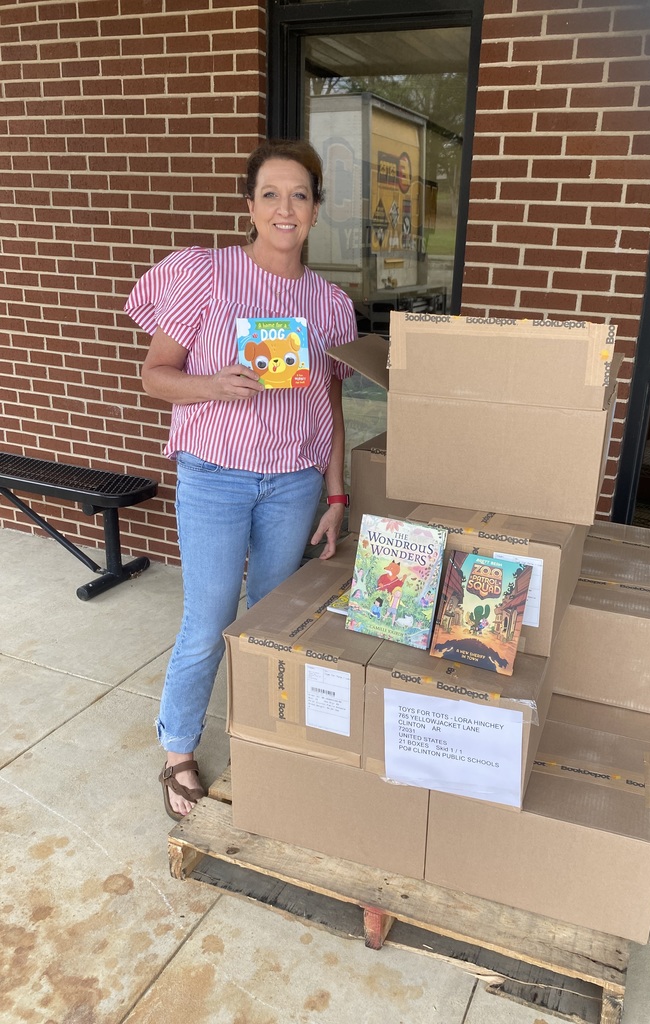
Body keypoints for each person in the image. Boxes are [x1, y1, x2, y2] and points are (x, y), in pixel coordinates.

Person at [124, 139, 356, 820]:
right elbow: (153, 373)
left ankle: (262, 742)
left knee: (272, 622)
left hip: (292, 484)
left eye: (300, 195)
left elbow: (332, 406)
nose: (286, 209)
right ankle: (178, 749)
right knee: (210, 617)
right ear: (249, 205)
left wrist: (336, 496)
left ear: (316, 208)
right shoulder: (207, 274)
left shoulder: (330, 304)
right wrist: (211, 385)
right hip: (215, 477)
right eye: (270, 194)